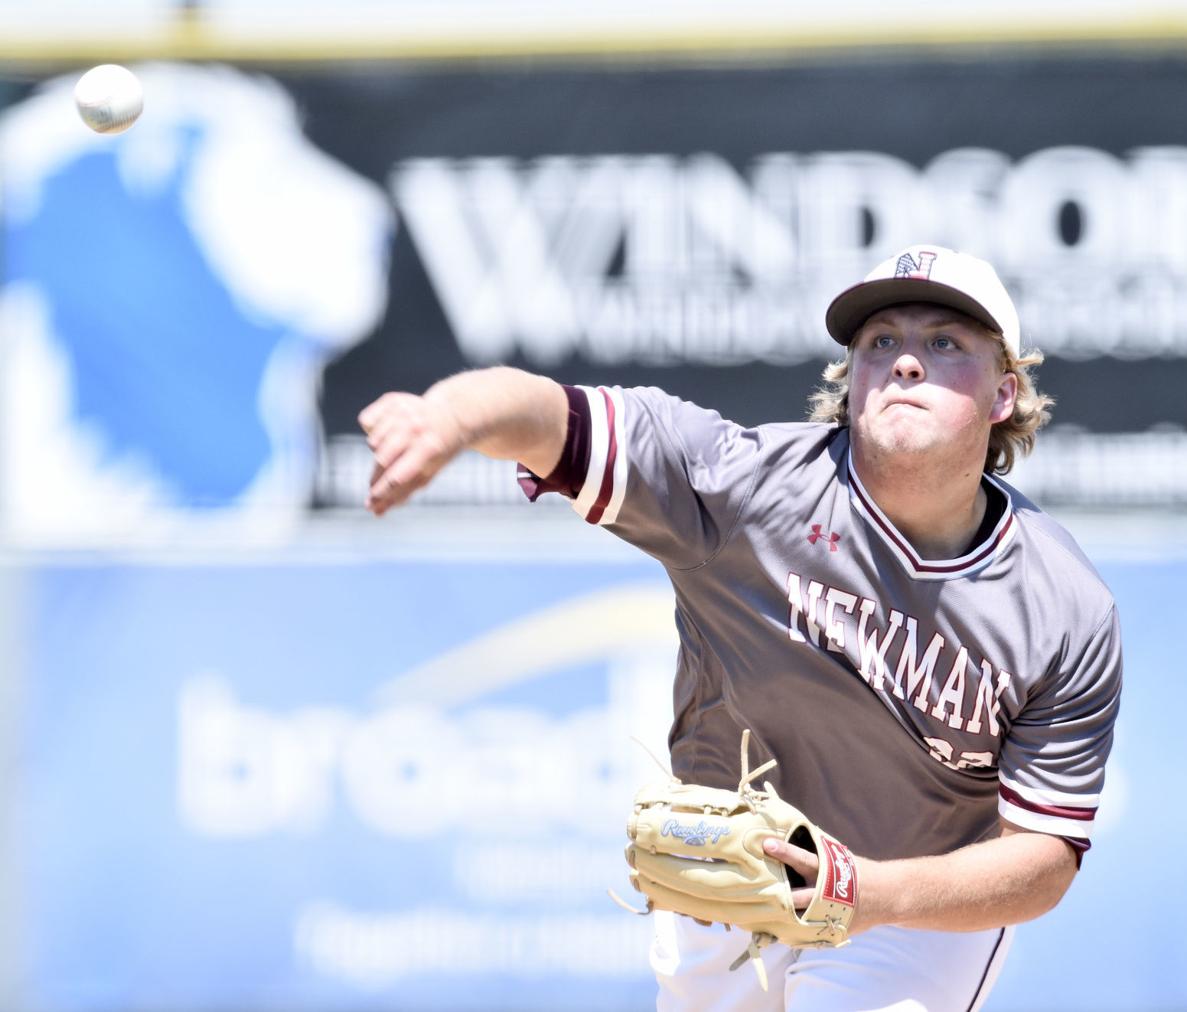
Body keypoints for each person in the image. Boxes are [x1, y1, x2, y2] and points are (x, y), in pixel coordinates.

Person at [358, 244, 1122, 1011]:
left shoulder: (1061, 606)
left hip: (917, 898)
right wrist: (452, 415)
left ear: (1003, 396)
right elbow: (553, 417)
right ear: (851, 382)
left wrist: (872, 893)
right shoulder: (742, 488)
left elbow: (1042, 860)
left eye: (944, 343)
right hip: (726, 869)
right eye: (880, 342)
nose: (905, 363)